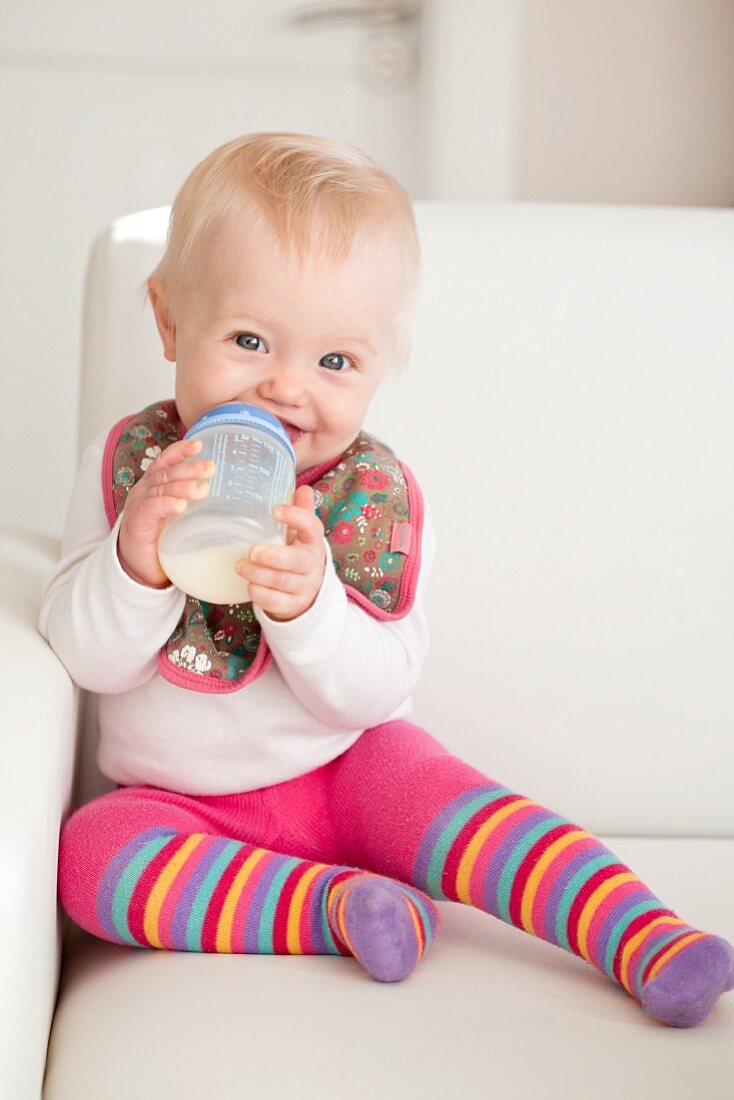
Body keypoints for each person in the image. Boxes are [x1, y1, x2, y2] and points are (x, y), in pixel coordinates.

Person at [39, 131, 733, 1027]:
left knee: (460, 806)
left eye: (335, 362)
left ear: (380, 369)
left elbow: (377, 688)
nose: (288, 390)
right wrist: (136, 559)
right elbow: (86, 658)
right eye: (249, 340)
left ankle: (643, 934)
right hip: (181, 803)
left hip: (348, 767)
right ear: (171, 320)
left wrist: (310, 608)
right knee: (95, 858)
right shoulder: (133, 468)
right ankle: (337, 909)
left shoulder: (374, 501)